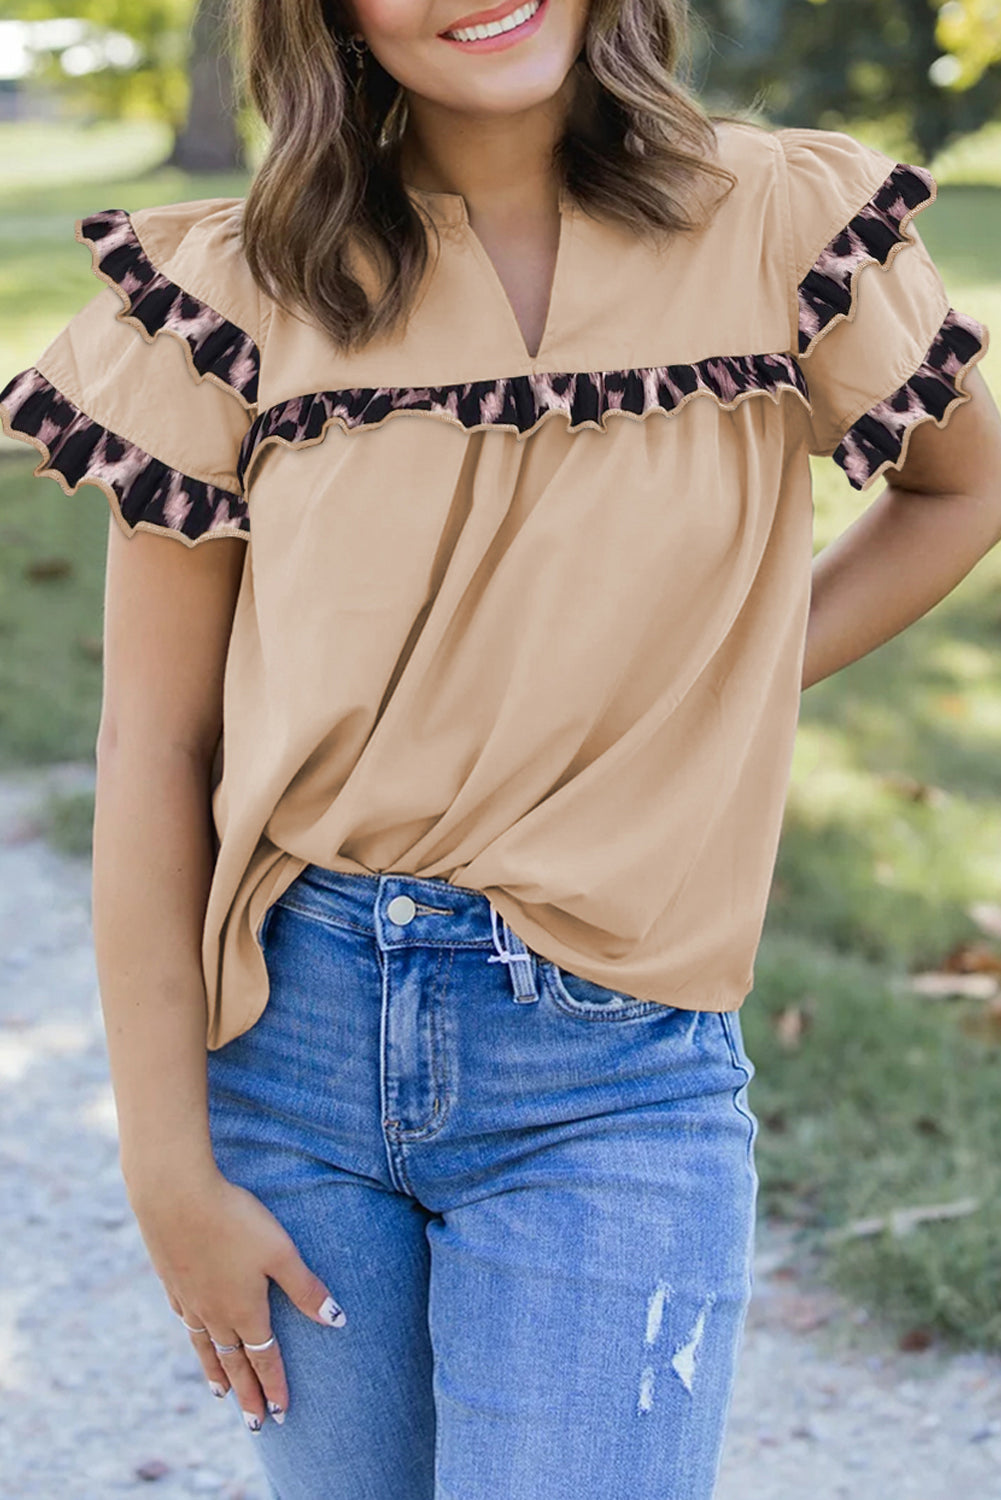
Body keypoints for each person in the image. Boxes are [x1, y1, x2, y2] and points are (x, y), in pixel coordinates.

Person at [3, 0, 1000, 1492]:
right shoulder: (230, 290)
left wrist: (696, 688)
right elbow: (157, 745)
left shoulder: (786, 221)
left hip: (614, 1061)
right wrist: (166, 1172)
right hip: (299, 1051)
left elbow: (955, 490)